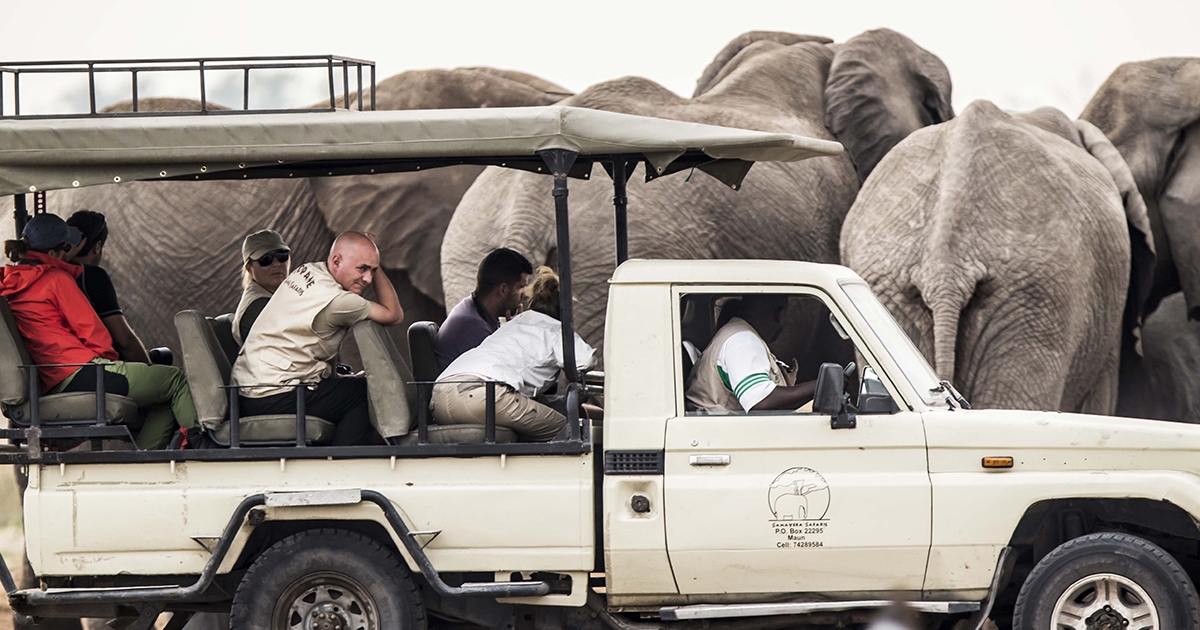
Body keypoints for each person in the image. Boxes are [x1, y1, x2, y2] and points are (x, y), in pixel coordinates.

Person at [0, 214, 198, 449]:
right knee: (175, 380)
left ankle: (143, 462)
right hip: (78, 372)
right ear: (55, 252)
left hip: (49, 378)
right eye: (66, 248)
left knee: (161, 397)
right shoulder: (55, 279)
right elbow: (93, 332)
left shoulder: (9, 285)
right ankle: (201, 443)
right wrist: (112, 366)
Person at [232, 231, 405, 446]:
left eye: (373, 271)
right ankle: (341, 463)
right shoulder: (341, 302)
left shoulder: (308, 271)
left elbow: (318, 342)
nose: (368, 278)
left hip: (250, 390)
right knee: (365, 391)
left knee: (352, 386)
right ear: (336, 261)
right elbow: (394, 315)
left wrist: (369, 257)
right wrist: (377, 265)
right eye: (362, 268)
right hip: (272, 394)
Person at [433, 267, 597, 441]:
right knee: (570, 433)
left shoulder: (511, 325)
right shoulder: (556, 330)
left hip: (439, 398)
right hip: (482, 396)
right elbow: (585, 361)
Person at [685, 294, 816, 413]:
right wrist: (819, 385)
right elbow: (761, 401)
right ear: (780, 315)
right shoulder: (742, 340)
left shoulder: (737, 334)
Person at [65, 210, 152, 364]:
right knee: (173, 378)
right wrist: (150, 369)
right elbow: (125, 341)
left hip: (56, 367)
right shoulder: (92, 276)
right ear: (97, 247)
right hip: (95, 366)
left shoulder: (48, 273)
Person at [435, 247, 532, 370]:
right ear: (503, 290)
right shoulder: (473, 327)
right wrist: (516, 332)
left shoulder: (477, 313)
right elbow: (510, 370)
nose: (524, 294)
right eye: (520, 287)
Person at [233, 229, 290, 344]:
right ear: (249, 269)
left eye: (282, 256)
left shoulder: (277, 298)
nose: (277, 264)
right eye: (266, 260)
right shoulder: (258, 307)